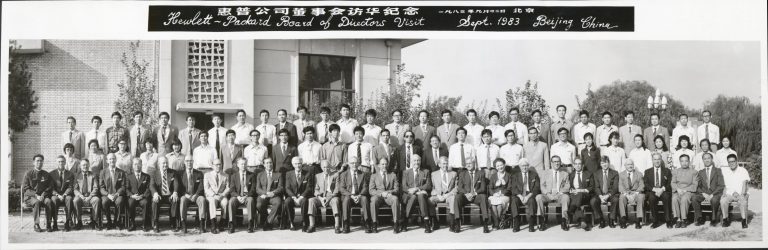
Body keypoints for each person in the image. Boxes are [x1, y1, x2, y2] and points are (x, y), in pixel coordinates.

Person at [454, 159, 491, 233]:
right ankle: (458, 223)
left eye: (470, 163)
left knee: (483, 197)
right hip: (465, 196)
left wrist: (474, 194)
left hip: (476, 195)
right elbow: (460, 188)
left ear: (474, 164)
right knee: (457, 197)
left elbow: (483, 188)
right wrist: (467, 194)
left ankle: (485, 223)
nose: (468, 165)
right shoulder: (462, 173)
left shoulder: (481, 173)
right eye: (467, 163)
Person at [536, 155, 570, 231]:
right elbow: (542, 186)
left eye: (558, 161)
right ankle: (542, 221)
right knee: (538, 197)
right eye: (554, 161)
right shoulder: (545, 173)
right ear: (551, 163)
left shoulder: (565, 173)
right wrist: (548, 194)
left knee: (566, 197)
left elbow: (567, 186)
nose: (556, 163)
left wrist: (560, 192)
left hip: (559, 195)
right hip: (548, 195)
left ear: (560, 163)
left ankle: (564, 221)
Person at [400, 154, 432, 233]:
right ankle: (406, 221)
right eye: (414, 160)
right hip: (409, 195)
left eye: (418, 160)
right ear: (411, 162)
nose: (416, 162)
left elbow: (428, 185)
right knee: (414, 197)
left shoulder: (425, 171)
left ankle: (426, 223)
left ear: (420, 161)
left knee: (420, 195)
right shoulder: (406, 172)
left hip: (421, 194)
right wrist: (413, 191)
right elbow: (404, 186)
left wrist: (417, 189)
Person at [22, 154, 55, 232]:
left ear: (43, 162)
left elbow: (50, 187)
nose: (39, 162)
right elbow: (26, 188)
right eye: (37, 161)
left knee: (48, 201)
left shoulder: (46, 174)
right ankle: (36, 224)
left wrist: (43, 194)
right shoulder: (28, 174)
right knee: (37, 202)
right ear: (34, 162)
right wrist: (36, 195)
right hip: (30, 197)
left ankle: (48, 223)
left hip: (43, 197)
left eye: (41, 161)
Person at [339, 156, 371, 233]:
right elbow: (342, 188)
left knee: (364, 199)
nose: (354, 165)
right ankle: (346, 224)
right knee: (346, 199)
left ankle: (367, 223)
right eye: (352, 163)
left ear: (359, 164)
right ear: (349, 164)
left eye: (356, 163)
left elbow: (365, 187)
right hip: (349, 196)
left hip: (360, 196)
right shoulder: (344, 174)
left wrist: (359, 195)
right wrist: (351, 196)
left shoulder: (363, 174)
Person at [692, 153, 725, 226]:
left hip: (715, 193)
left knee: (714, 200)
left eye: (708, 158)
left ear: (712, 159)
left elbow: (721, 185)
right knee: (694, 198)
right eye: (705, 159)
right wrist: (703, 193)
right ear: (703, 160)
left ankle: (713, 218)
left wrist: (712, 194)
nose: (707, 160)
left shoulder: (718, 170)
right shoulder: (700, 172)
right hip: (704, 193)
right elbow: (698, 186)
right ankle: (699, 218)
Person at [282, 157, 314, 232]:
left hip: (303, 196)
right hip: (293, 196)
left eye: (299, 163)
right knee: (287, 201)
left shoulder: (307, 173)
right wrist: (293, 197)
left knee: (304, 201)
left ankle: (304, 222)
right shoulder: (288, 174)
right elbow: (287, 188)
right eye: (296, 164)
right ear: (293, 165)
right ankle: (291, 222)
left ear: (302, 164)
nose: (298, 165)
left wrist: (301, 197)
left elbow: (309, 188)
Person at [369, 158, 401, 234]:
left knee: (395, 199)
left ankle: (396, 223)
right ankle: (374, 223)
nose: (384, 166)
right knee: (373, 200)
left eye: (386, 164)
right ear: (379, 165)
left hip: (389, 196)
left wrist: (388, 192)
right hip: (378, 196)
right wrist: (381, 194)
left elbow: (396, 189)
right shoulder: (374, 176)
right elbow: (371, 190)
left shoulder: (393, 175)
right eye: (382, 164)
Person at [308, 160, 341, 233]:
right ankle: (312, 225)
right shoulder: (317, 176)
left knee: (336, 201)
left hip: (332, 197)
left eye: (328, 167)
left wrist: (328, 199)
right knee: (311, 200)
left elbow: (336, 190)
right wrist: (321, 198)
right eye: (324, 167)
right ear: (321, 167)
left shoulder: (336, 175)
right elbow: (316, 190)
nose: (326, 169)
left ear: (330, 167)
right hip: (321, 197)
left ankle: (337, 226)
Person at [178, 155, 207, 233]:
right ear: (184, 162)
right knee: (182, 200)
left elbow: (201, 186)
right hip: (186, 195)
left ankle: (201, 223)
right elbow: (179, 187)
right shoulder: (180, 174)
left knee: (202, 199)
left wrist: (196, 195)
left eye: (191, 161)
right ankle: (183, 223)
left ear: (193, 162)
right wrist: (185, 194)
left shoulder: (199, 173)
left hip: (196, 195)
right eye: (187, 161)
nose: (189, 163)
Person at [510, 159, 541, 232]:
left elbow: (537, 188)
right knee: (514, 201)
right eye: (523, 166)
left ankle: (531, 224)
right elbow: (513, 188)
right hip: (519, 194)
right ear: (520, 167)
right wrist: (520, 196)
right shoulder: (515, 175)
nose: (525, 167)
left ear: (528, 166)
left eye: (526, 165)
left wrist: (528, 196)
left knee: (532, 201)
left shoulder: (534, 175)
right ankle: (516, 224)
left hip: (529, 194)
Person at [720, 154, 750, 228]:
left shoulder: (743, 170)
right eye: (729, 162)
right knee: (723, 200)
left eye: (733, 161)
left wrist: (742, 194)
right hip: (730, 193)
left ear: (736, 161)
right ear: (728, 163)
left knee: (742, 200)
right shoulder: (726, 172)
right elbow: (725, 186)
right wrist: (724, 193)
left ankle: (743, 220)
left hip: (741, 192)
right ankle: (725, 219)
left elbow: (744, 183)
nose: (731, 163)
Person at [150, 156, 179, 232]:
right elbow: (151, 185)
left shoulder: (173, 172)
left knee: (175, 200)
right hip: (159, 195)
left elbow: (176, 183)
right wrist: (155, 193)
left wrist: (175, 192)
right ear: (159, 164)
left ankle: (173, 221)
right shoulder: (154, 173)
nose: (165, 165)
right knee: (154, 201)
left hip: (169, 195)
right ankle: (156, 223)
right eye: (163, 163)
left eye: (166, 163)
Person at [644, 153, 673, 228]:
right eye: (655, 159)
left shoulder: (667, 171)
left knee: (666, 197)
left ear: (661, 160)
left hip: (663, 190)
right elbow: (646, 184)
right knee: (651, 198)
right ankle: (655, 221)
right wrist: (654, 189)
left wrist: (662, 189)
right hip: (653, 191)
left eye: (658, 159)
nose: (657, 161)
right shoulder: (647, 171)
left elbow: (669, 183)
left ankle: (668, 220)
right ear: (652, 160)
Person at [429, 156, 457, 232]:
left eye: (447, 163)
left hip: (449, 195)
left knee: (453, 199)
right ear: (439, 164)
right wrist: (438, 195)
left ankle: (452, 223)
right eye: (443, 163)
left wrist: (447, 195)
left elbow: (456, 188)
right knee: (430, 200)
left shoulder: (453, 173)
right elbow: (432, 188)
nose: (445, 165)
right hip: (438, 195)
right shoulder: (433, 174)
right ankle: (434, 221)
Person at [590, 156, 620, 229]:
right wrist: (600, 196)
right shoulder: (596, 173)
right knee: (593, 201)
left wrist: (608, 195)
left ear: (609, 163)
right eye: (602, 163)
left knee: (616, 200)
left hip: (610, 194)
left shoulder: (615, 173)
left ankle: (611, 219)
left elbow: (615, 187)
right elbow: (596, 187)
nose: (604, 164)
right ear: (600, 164)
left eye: (606, 162)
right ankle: (601, 220)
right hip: (600, 194)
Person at [100, 153, 127, 230]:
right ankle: (109, 221)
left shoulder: (121, 172)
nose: (112, 160)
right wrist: (108, 195)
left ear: (116, 160)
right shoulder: (103, 172)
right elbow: (101, 187)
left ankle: (117, 221)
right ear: (107, 161)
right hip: (107, 195)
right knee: (104, 202)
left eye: (113, 158)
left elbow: (123, 186)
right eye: (110, 159)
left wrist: (117, 194)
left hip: (118, 194)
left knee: (119, 201)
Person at [255, 157, 284, 231]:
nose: (269, 164)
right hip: (263, 195)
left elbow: (280, 187)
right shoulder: (260, 175)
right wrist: (265, 193)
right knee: (259, 205)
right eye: (267, 163)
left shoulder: (278, 174)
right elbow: (258, 188)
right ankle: (266, 218)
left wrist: (273, 193)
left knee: (278, 203)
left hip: (274, 196)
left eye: (270, 162)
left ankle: (268, 222)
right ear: (264, 165)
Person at [227, 158, 255, 233]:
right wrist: (238, 196)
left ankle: (250, 223)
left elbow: (253, 189)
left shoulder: (251, 175)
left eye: (245, 163)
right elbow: (232, 190)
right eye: (242, 164)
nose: (243, 165)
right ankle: (231, 224)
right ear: (238, 165)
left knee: (251, 200)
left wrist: (246, 196)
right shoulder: (233, 176)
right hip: (237, 196)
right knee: (231, 201)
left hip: (247, 196)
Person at [671, 154, 698, 228]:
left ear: (689, 161)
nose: (684, 163)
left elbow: (695, 184)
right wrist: (677, 189)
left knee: (684, 199)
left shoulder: (694, 172)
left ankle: (684, 219)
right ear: (680, 162)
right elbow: (673, 182)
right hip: (678, 191)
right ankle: (678, 219)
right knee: (674, 198)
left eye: (686, 161)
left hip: (688, 191)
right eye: (682, 161)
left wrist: (685, 190)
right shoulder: (675, 171)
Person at [73, 159, 101, 230]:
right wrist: (80, 195)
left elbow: (96, 188)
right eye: (83, 165)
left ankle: (94, 221)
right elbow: (75, 189)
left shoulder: (93, 175)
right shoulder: (77, 176)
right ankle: (79, 221)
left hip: (91, 196)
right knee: (75, 200)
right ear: (80, 166)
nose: (85, 166)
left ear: (89, 165)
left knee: (97, 200)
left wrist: (90, 196)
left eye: (86, 165)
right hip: (81, 196)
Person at [50, 155, 76, 231]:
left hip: (66, 195)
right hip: (56, 195)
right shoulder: (51, 174)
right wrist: (57, 195)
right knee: (53, 200)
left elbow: (70, 187)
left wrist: (64, 195)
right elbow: (51, 188)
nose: (61, 163)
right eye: (59, 161)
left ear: (65, 162)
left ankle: (67, 222)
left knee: (69, 199)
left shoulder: (70, 174)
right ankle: (55, 223)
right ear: (56, 163)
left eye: (62, 161)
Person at [126, 158, 152, 232]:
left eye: (139, 164)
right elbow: (127, 189)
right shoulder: (129, 176)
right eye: (135, 164)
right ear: (132, 166)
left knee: (146, 203)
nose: (137, 166)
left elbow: (148, 189)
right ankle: (132, 224)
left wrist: (142, 196)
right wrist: (132, 195)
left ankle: (144, 224)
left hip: (142, 197)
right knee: (130, 203)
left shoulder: (146, 176)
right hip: (133, 196)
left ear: (141, 165)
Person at [618, 159, 645, 229]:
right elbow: (620, 186)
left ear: (633, 165)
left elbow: (642, 186)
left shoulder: (639, 174)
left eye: (631, 164)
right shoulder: (621, 175)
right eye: (628, 164)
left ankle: (638, 220)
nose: (630, 166)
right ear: (625, 166)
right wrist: (626, 194)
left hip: (636, 193)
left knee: (641, 197)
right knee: (621, 197)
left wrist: (635, 194)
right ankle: (623, 219)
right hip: (626, 193)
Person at [204, 159, 230, 234]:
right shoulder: (207, 175)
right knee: (212, 202)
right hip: (211, 196)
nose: (218, 166)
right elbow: (207, 188)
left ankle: (222, 222)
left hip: (221, 195)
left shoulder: (225, 175)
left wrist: (223, 195)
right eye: (216, 165)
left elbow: (228, 188)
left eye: (219, 164)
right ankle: (213, 223)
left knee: (225, 202)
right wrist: (214, 195)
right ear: (212, 166)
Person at [568, 158, 594, 231]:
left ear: (582, 165)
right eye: (576, 164)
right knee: (576, 197)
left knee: (579, 195)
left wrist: (580, 190)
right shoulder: (571, 175)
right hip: (574, 195)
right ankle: (582, 220)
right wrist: (572, 190)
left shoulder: (588, 174)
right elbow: (569, 187)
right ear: (573, 165)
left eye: (579, 164)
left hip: (585, 196)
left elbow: (591, 187)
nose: (578, 166)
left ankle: (571, 210)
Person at [488, 158, 511, 230]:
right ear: (495, 167)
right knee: (493, 204)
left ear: (504, 165)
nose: (500, 167)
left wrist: (503, 193)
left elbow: (510, 188)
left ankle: (496, 224)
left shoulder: (509, 175)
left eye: (501, 165)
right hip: (495, 195)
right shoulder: (493, 176)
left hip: (505, 195)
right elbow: (490, 188)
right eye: (497, 166)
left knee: (499, 204)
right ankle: (498, 222)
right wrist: (494, 194)